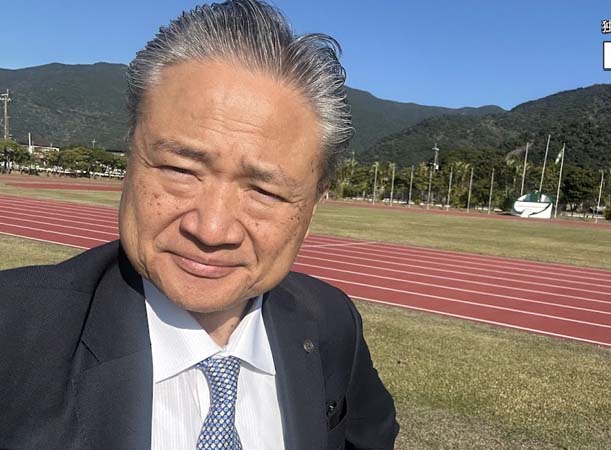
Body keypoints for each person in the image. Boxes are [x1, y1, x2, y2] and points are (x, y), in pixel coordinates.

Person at [0, 1, 399, 449]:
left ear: (311, 208)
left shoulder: (331, 321)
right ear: (131, 155)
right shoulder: (12, 331)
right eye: (180, 170)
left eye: (264, 191)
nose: (210, 230)